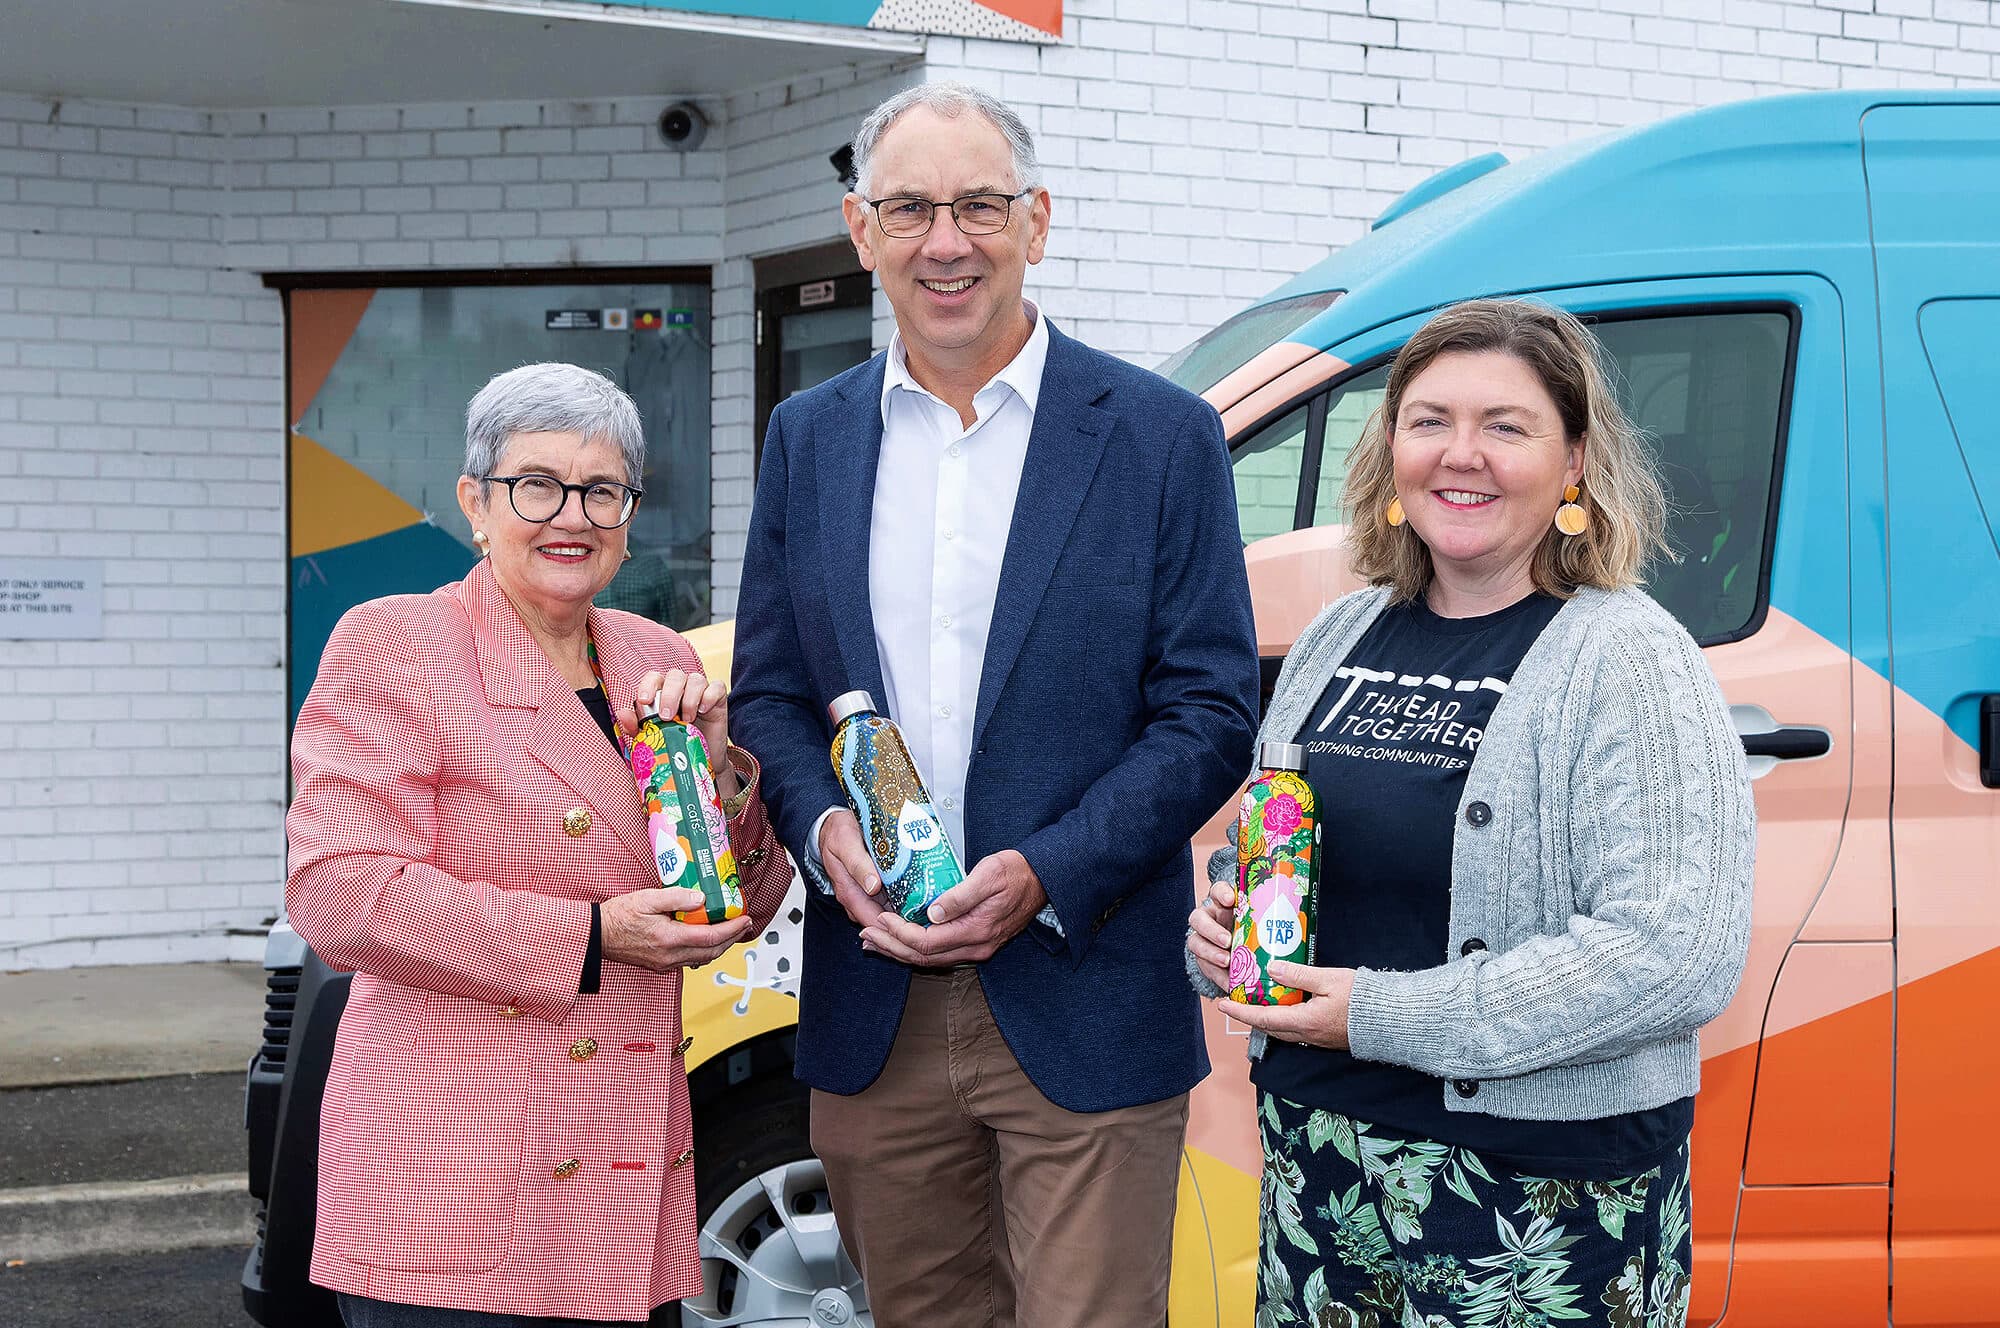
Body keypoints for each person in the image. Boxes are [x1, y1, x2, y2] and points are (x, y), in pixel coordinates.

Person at [730, 82, 1260, 1328]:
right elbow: (769, 689)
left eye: (977, 204)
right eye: (909, 208)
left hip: (1084, 981)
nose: (946, 241)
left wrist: (1043, 868)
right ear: (860, 231)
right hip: (877, 996)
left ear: (1037, 220)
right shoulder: (807, 436)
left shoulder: (1159, 435)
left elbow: (1208, 710)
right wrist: (819, 830)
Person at [1186, 299, 1755, 1328]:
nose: (1461, 454)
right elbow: (1282, 845)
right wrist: (1222, 925)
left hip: (1532, 1195)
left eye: (1505, 424)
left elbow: (1675, 951)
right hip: (1321, 1163)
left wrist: (1377, 1014)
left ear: (1573, 460)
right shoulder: (1338, 632)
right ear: (1391, 447)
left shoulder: (1627, 654)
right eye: (1428, 419)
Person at [286, 363, 794, 1326]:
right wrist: (593, 936)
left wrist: (724, 775)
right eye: (536, 486)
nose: (573, 515)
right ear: (475, 503)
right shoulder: (394, 644)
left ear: (630, 514)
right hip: (456, 1184)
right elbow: (338, 891)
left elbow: (744, 905)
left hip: (622, 1163)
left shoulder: (659, 657)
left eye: (603, 490)